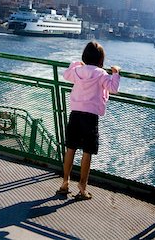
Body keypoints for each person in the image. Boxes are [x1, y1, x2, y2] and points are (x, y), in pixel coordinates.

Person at [56, 41, 120, 200]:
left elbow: (66, 74)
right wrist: (116, 73)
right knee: (87, 151)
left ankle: (65, 182)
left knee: (70, 148)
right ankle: (82, 187)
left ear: (84, 56)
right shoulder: (101, 74)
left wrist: (76, 63)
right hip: (90, 118)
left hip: (75, 114)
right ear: (100, 59)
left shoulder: (77, 71)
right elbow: (113, 88)